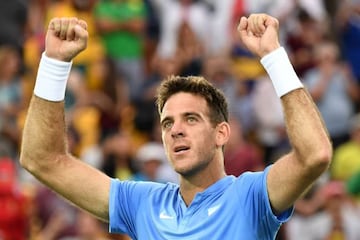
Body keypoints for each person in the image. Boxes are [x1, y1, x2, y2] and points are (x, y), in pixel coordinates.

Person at [20, 13, 332, 239]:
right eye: (167, 122)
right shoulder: (141, 203)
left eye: (191, 119)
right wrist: (54, 64)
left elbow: (314, 154)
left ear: (222, 133)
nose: (175, 130)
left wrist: (274, 57)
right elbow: (42, 160)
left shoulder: (250, 196)